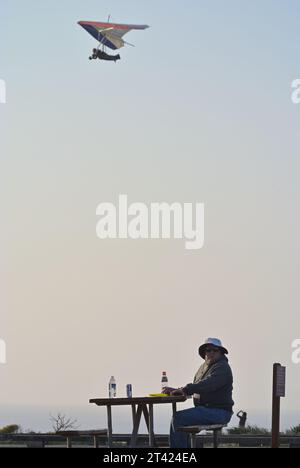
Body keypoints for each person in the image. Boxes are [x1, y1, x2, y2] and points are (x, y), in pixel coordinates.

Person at [163, 338, 234, 448]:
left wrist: (186, 389)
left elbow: (207, 384)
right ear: (204, 353)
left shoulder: (222, 367)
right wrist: (177, 390)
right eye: (208, 350)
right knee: (179, 418)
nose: (211, 353)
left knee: (179, 418)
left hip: (219, 412)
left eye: (214, 350)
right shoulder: (204, 367)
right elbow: (197, 386)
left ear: (220, 353)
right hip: (206, 409)